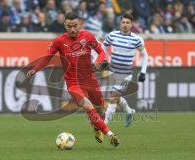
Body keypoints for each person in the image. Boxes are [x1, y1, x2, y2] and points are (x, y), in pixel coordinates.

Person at [26, 11, 119, 146]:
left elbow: (102, 51)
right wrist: (34, 69)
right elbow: (47, 58)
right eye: (69, 26)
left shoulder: (88, 36)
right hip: (73, 83)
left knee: (100, 109)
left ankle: (97, 126)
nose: (72, 29)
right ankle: (110, 135)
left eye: (75, 26)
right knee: (88, 106)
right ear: (65, 25)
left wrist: (99, 61)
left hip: (90, 79)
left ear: (79, 23)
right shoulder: (59, 41)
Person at [103, 13, 148, 127]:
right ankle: (130, 112)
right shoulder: (112, 35)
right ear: (120, 23)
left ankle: (103, 126)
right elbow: (103, 48)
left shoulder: (137, 39)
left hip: (126, 73)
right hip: (112, 71)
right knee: (116, 98)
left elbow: (145, 55)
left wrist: (143, 71)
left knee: (113, 97)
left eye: (127, 23)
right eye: (123, 22)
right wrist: (102, 59)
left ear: (131, 24)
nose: (125, 25)